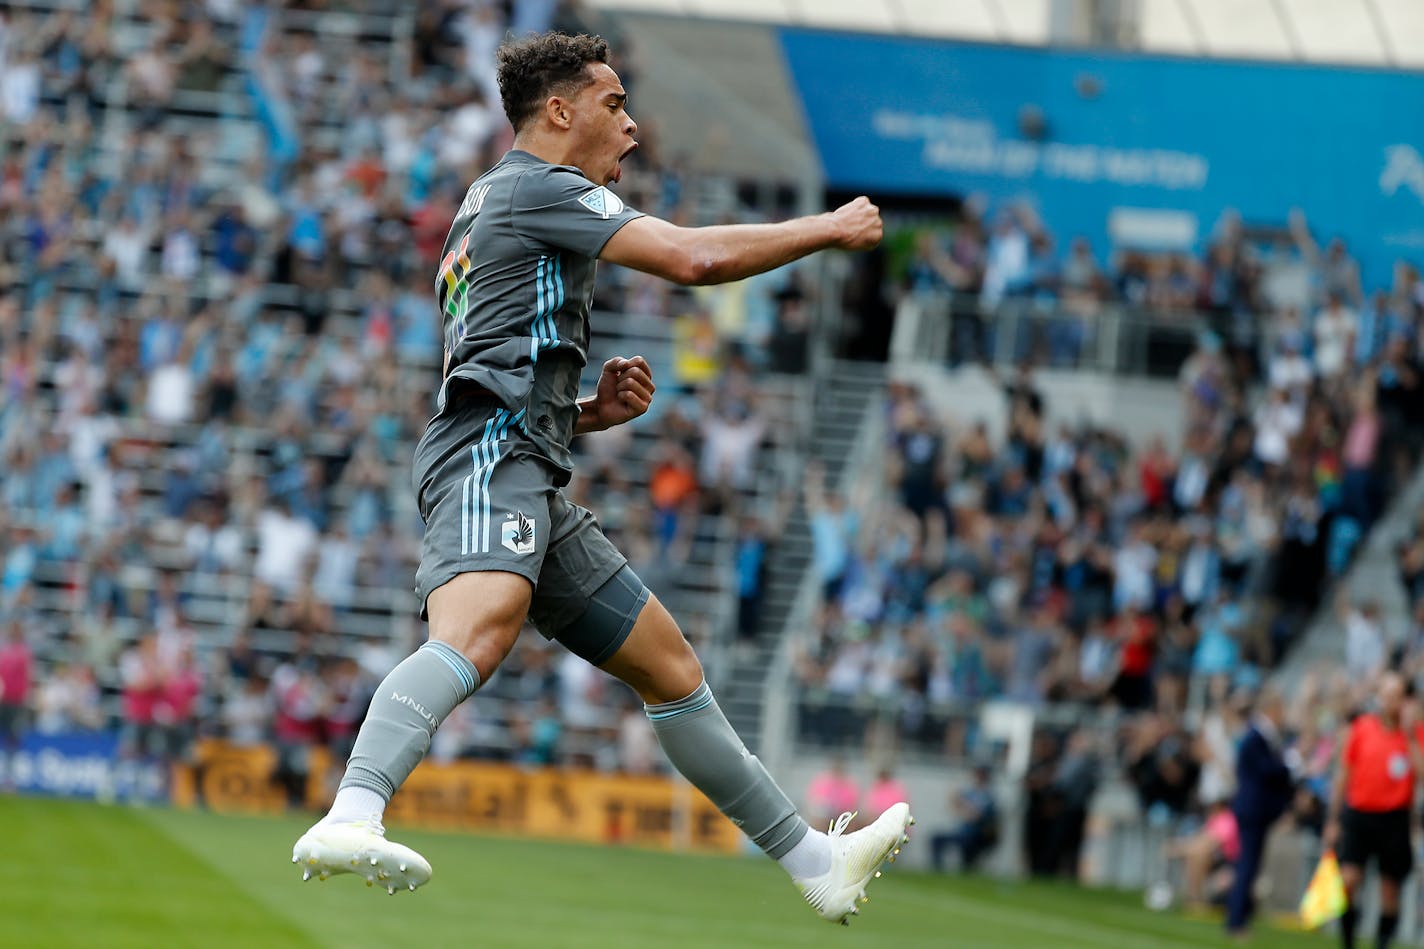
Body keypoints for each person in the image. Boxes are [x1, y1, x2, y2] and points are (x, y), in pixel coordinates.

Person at [291, 32, 912, 925]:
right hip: (490, 459)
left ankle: (817, 860)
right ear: (559, 111)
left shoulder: (492, 204)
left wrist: (583, 410)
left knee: (670, 667)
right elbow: (693, 260)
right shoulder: (538, 187)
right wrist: (830, 227)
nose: (631, 125)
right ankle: (353, 810)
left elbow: (484, 357)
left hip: (528, 462)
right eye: (614, 104)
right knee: (478, 632)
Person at [1324, 672, 1421, 949]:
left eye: (1397, 696)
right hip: (1359, 815)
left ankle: (1381, 943)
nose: (1391, 702)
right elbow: (1344, 774)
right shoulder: (1362, 728)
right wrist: (1334, 819)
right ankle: (1348, 942)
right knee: (1349, 880)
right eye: (1387, 695)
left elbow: (1421, 773)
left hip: (1394, 819)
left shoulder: (1414, 734)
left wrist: (1411, 735)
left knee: (1390, 891)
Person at [1224, 688, 1294, 939]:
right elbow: (1265, 771)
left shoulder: (1261, 737)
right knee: (1247, 864)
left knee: (1249, 864)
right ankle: (1236, 921)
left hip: (1255, 809)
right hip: (1253, 810)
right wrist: (1289, 765)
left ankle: (1240, 916)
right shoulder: (1257, 738)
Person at [930, 764, 999, 872]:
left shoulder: (988, 795)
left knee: (968, 841)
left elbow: (977, 816)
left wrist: (964, 805)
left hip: (977, 835)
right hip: (963, 832)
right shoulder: (970, 792)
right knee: (936, 838)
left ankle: (967, 867)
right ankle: (938, 869)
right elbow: (955, 807)